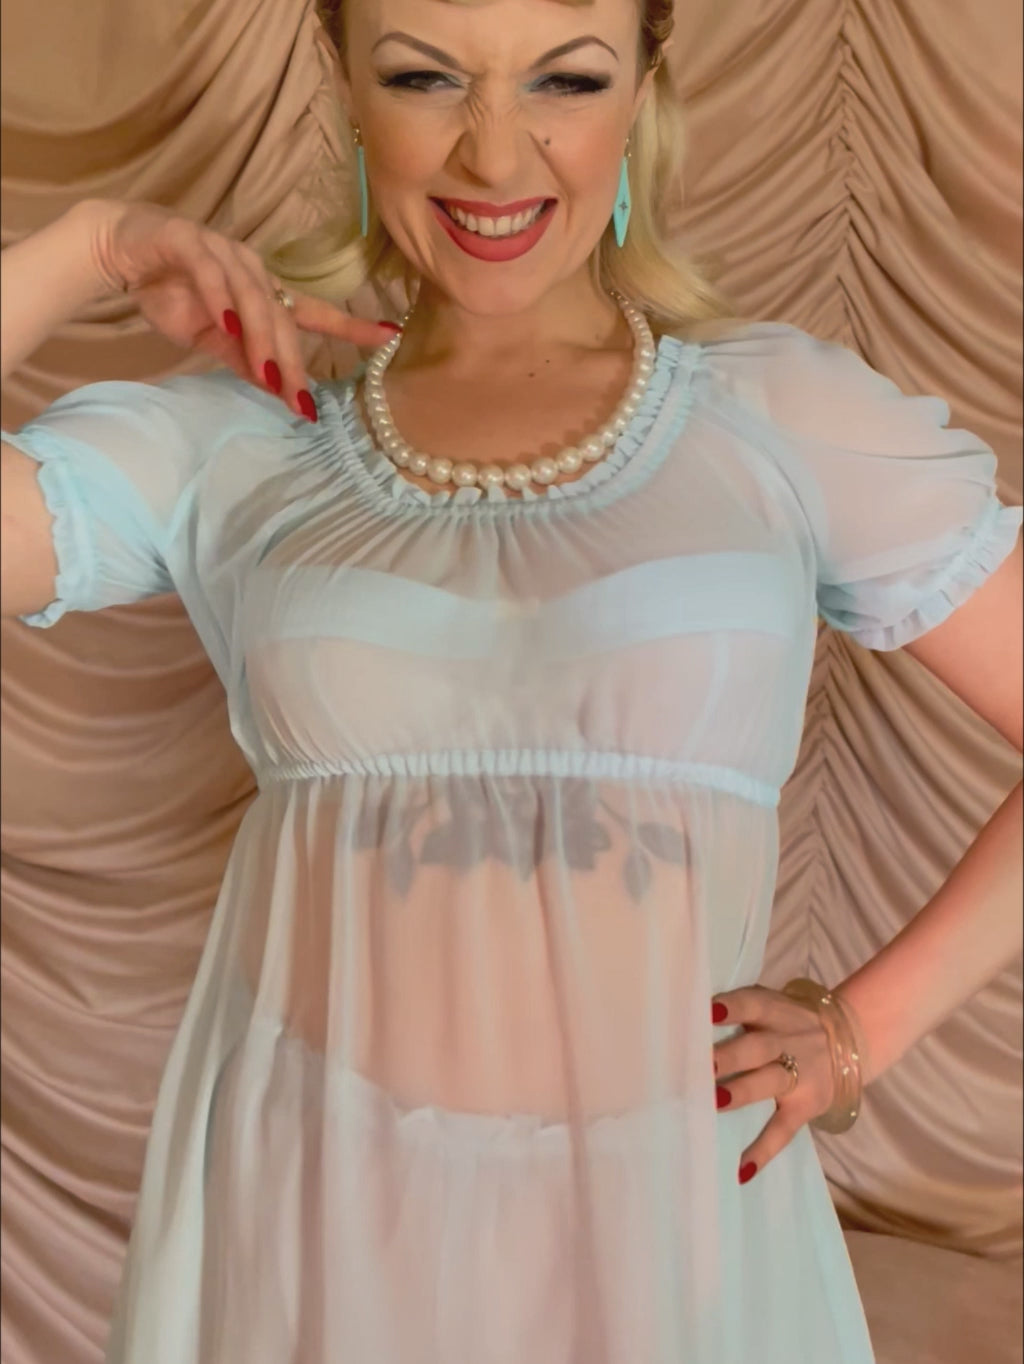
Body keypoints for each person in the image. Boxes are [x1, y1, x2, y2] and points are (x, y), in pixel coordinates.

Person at [2, 0, 1022, 1360]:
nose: (493, 152)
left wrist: (860, 1032)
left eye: (565, 81)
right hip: (314, 1228)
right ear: (345, 84)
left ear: (645, 87)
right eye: (426, 77)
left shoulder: (781, 423)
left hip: (669, 1237)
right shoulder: (240, 449)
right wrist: (90, 246)